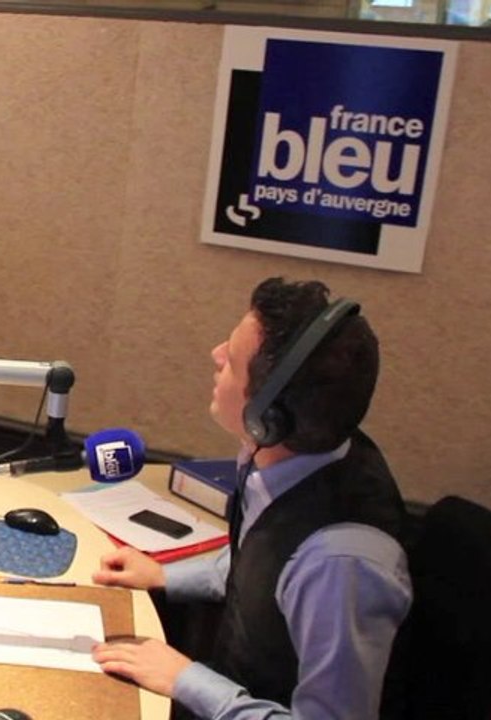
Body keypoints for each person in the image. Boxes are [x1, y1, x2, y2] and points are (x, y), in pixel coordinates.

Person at [91, 277, 411, 718]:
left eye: (233, 359)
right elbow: (266, 563)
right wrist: (168, 576)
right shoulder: (293, 456)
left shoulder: (340, 564)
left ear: (268, 419)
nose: (216, 354)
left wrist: (186, 680)